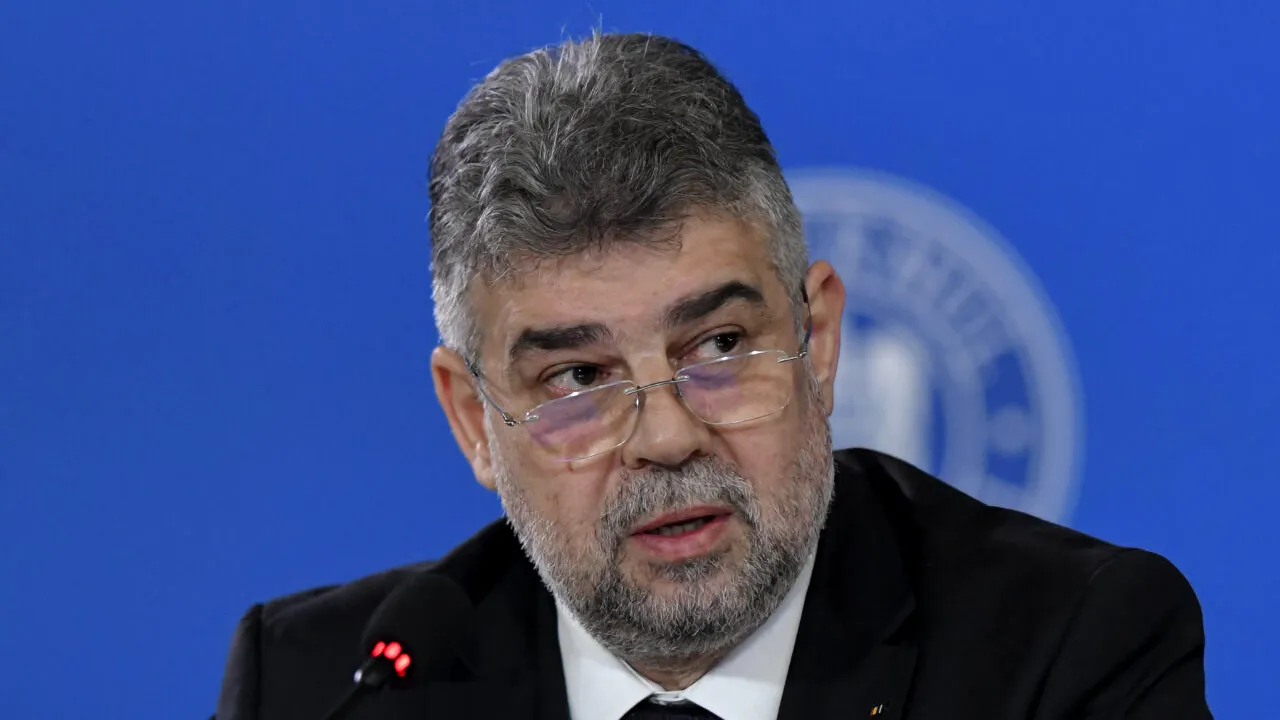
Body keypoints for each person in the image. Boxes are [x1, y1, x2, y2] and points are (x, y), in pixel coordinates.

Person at [213, 32, 1212, 720]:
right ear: (474, 419)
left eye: (719, 347)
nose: (665, 436)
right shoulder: (325, 690)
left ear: (818, 340)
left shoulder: (1063, 654)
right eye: (576, 376)